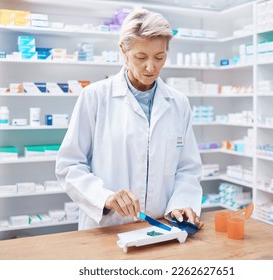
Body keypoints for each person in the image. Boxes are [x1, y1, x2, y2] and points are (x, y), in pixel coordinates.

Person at [55, 9, 204, 231]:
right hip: (109, 227)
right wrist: (104, 198)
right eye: (141, 57)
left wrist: (181, 204)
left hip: (161, 227)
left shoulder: (178, 103)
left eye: (159, 57)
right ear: (123, 52)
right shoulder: (95, 97)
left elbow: (187, 168)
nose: (151, 67)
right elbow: (70, 164)